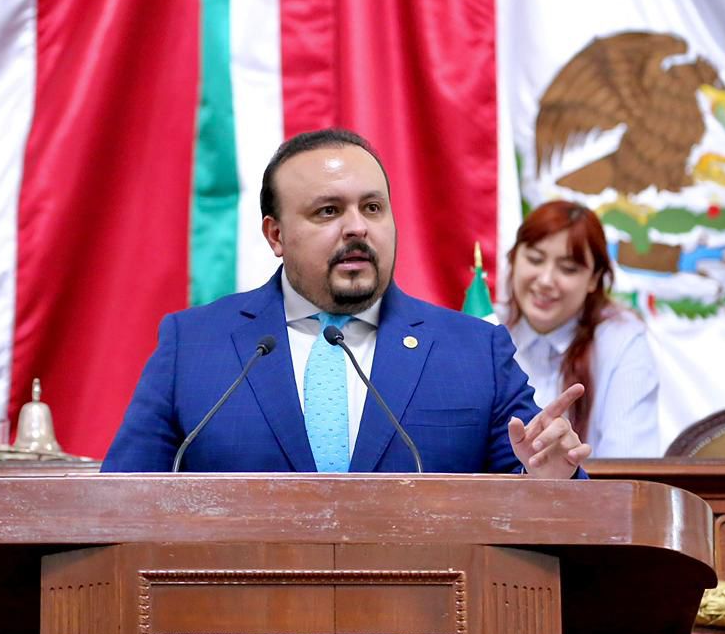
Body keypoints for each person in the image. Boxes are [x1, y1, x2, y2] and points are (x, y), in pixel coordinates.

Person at [103, 129, 590, 477]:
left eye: (373, 208)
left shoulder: (475, 351)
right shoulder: (193, 345)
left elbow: (538, 485)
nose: (357, 227)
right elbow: (122, 504)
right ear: (276, 235)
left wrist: (550, 479)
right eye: (328, 211)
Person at [503, 200, 660, 457]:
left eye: (568, 269)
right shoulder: (486, 329)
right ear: (513, 258)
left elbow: (629, 466)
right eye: (535, 259)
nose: (545, 280)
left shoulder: (621, 342)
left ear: (594, 279)